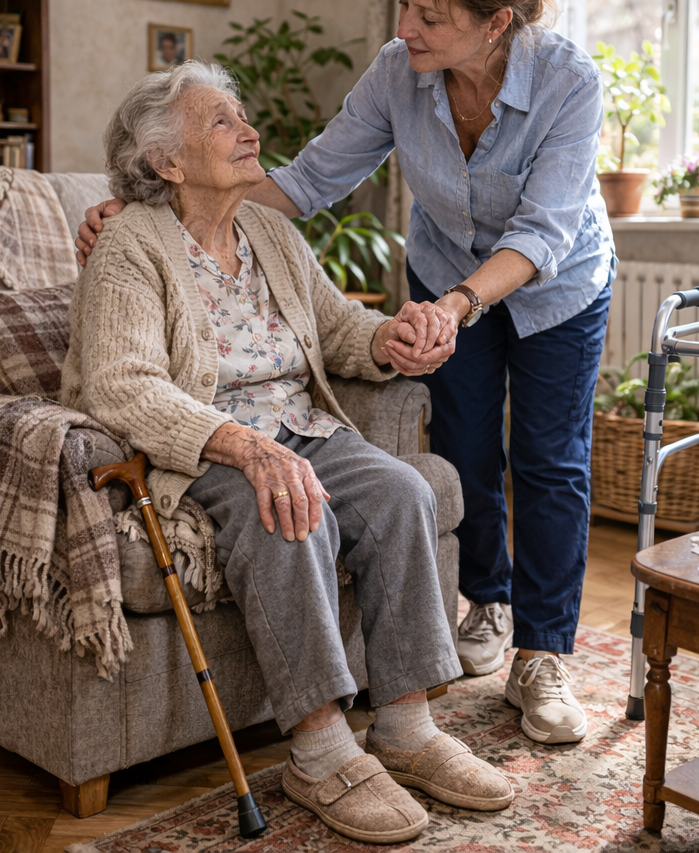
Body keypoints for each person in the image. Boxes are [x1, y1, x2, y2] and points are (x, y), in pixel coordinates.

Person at [79, 0, 614, 746]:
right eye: (405, 5)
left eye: (430, 15)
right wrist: (148, 201)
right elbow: (306, 182)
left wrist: (456, 307)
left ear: (495, 23)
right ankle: (488, 603)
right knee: (467, 446)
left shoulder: (568, 82)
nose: (405, 29)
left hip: (554, 284)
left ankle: (542, 654)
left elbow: (542, 233)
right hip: (443, 271)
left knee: (550, 460)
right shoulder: (400, 71)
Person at [63, 62, 513, 844]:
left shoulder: (270, 231)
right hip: (203, 447)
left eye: (242, 116)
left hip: (302, 432)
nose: (251, 132)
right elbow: (122, 385)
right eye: (222, 122)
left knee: (404, 491)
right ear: (166, 161)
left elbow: (336, 329)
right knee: (288, 512)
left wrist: (392, 338)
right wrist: (242, 445)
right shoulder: (130, 245)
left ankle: (406, 729)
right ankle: (320, 751)